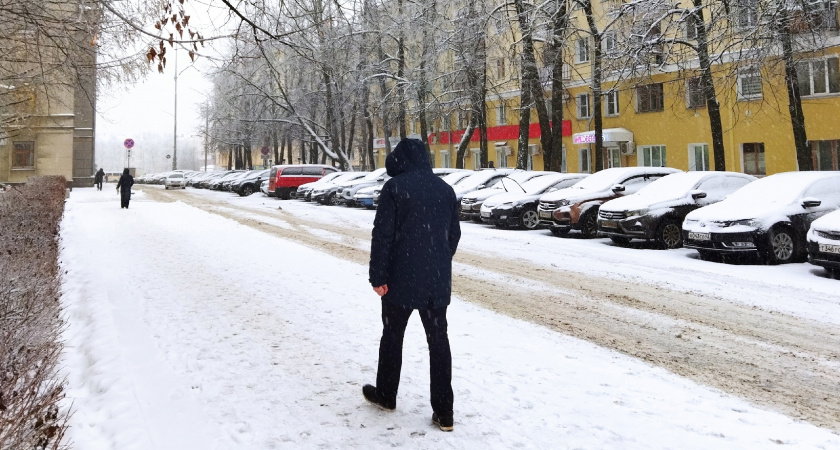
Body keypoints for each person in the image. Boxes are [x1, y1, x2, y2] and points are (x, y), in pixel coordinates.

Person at [364, 138, 461, 432]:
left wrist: (378, 277)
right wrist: (436, 262)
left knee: (393, 336)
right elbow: (453, 237)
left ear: (402, 159)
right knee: (438, 342)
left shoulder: (395, 188)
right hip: (435, 282)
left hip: (399, 282)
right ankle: (444, 412)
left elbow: (382, 236)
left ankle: (387, 395)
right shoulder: (445, 190)